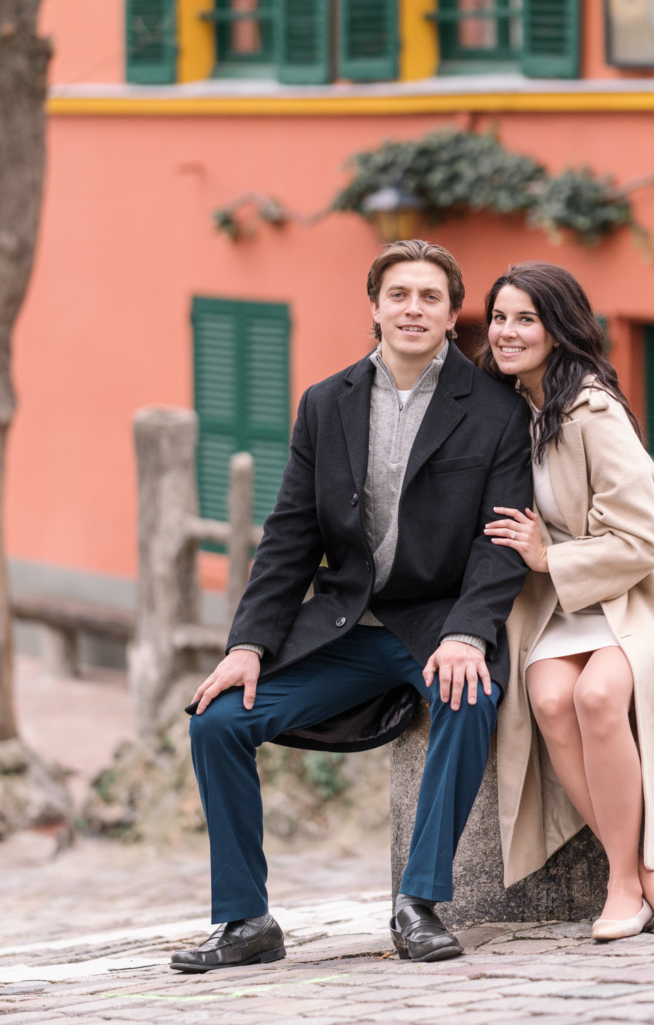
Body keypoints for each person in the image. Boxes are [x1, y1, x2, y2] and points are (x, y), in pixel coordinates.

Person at [171, 240, 532, 973]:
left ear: (451, 313)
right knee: (216, 723)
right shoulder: (324, 404)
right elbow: (289, 539)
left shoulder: (496, 411)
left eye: (430, 297)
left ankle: (418, 903)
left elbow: (500, 543)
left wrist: (468, 633)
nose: (412, 309)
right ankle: (245, 921)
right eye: (398, 294)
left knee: (470, 700)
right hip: (347, 628)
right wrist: (247, 644)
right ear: (373, 306)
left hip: (437, 626)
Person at [481, 262, 654, 941]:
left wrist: (547, 557)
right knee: (551, 701)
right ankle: (651, 882)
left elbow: (644, 537)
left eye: (524, 318)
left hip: (630, 596)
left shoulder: (591, 410)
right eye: (498, 317)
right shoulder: (506, 407)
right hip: (556, 605)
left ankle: (623, 879)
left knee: (595, 699)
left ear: (557, 330)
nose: (507, 332)